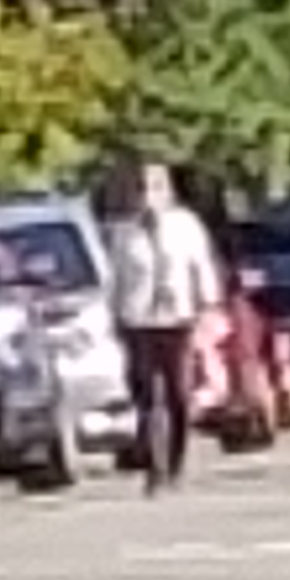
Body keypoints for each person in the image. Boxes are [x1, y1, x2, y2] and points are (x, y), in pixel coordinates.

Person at [105, 156, 226, 494]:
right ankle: (154, 469)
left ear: (168, 190)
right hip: (139, 320)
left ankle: (175, 464)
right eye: (143, 187)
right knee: (147, 396)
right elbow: (116, 278)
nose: (149, 194)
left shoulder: (185, 225)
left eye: (156, 186)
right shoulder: (124, 232)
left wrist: (208, 305)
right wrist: (114, 318)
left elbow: (201, 266)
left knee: (177, 394)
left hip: (177, 318)